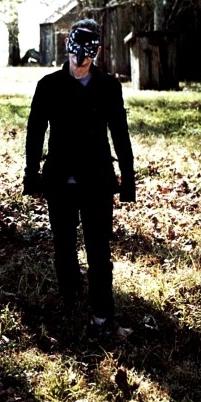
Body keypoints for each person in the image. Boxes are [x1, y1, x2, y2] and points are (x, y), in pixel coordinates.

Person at [23, 18, 135, 341]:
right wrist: (31, 175)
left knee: (99, 252)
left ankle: (102, 317)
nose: (80, 59)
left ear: (96, 52)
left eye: (87, 53)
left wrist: (128, 179)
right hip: (59, 180)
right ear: (67, 46)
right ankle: (70, 301)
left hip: (97, 181)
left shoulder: (108, 87)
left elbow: (120, 134)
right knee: (64, 247)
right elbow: (35, 132)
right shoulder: (49, 86)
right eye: (75, 51)